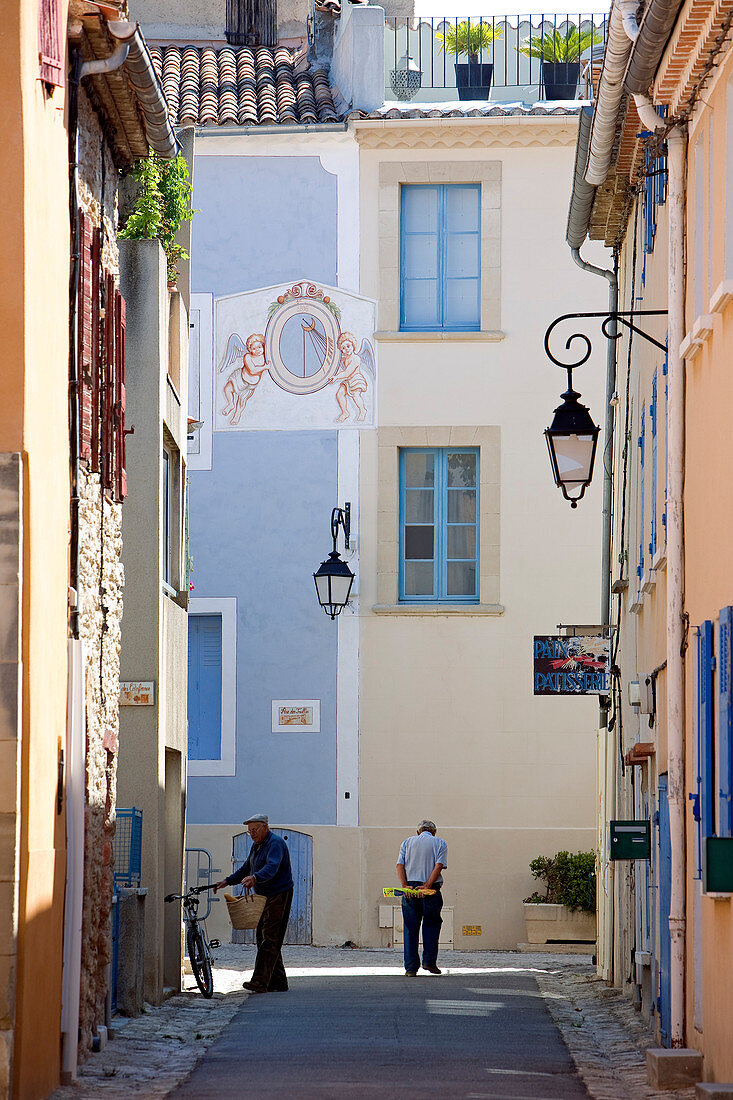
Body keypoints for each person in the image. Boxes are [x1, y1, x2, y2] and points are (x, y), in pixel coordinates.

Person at [213, 814, 293, 993]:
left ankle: (260, 982)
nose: (252, 834)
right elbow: (246, 868)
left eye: (254, 830)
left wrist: (255, 878)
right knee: (264, 937)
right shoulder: (256, 846)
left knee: (270, 937)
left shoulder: (275, 844)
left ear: (265, 827)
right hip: (264, 895)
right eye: (249, 831)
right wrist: (228, 881)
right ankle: (278, 981)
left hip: (279, 894)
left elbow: (272, 868)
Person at [396, 819, 447, 977]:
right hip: (430, 890)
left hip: (410, 888)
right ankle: (429, 962)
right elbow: (438, 866)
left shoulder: (407, 842)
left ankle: (411, 968)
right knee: (431, 924)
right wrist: (427, 885)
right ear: (434, 831)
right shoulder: (440, 843)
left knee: (410, 928)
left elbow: (400, 865)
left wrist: (404, 886)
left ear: (418, 832)